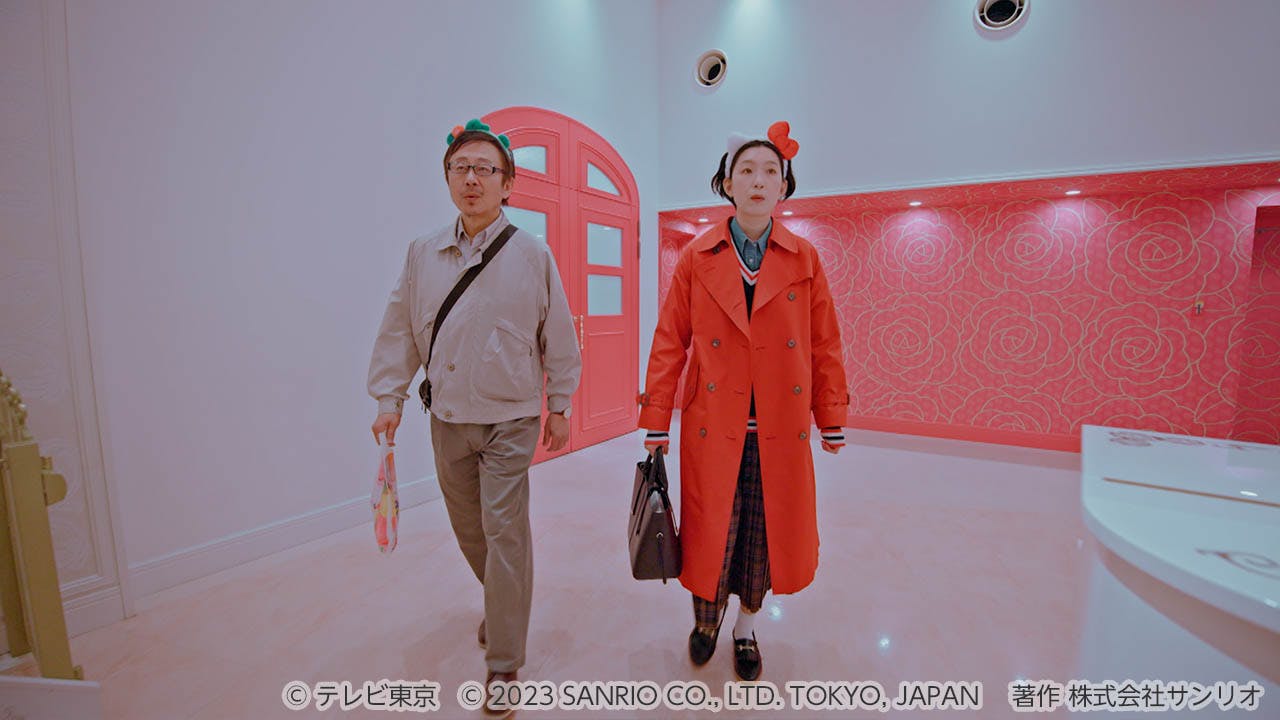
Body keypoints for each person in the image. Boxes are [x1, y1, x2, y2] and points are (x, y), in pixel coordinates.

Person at [368, 118, 581, 715]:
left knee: (504, 530)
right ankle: (503, 603)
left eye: (485, 169)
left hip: (511, 418)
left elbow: (558, 336)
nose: (472, 179)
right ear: (448, 178)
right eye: (461, 168)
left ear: (507, 184)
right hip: (448, 418)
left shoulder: (532, 253)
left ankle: (504, 660)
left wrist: (559, 404)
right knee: (470, 529)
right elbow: (399, 329)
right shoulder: (423, 253)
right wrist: (389, 399)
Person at [638, 121, 849, 681]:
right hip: (713, 424)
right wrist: (656, 418)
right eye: (747, 171)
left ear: (784, 186)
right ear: (727, 184)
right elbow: (670, 339)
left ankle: (746, 630)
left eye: (770, 172)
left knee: (763, 538)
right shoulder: (696, 256)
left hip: (780, 427)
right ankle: (705, 624)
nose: (758, 181)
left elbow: (825, 341)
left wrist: (831, 414)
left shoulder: (804, 258)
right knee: (712, 533)